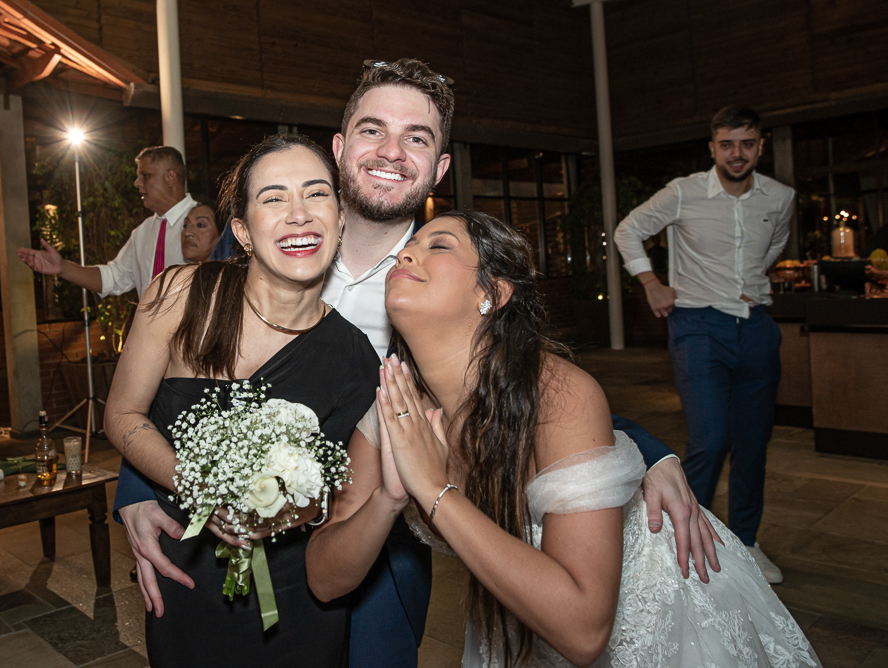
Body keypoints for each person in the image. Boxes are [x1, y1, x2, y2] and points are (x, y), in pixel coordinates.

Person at [113, 59, 720, 667]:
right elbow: (174, 378)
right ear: (340, 145)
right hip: (219, 550)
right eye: (373, 130)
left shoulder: (440, 275)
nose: (392, 151)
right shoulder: (267, 232)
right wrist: (142, 488)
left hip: (380, 545)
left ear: (440, 167)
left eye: (417, 137)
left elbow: (523, 374)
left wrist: (642, 450)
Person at [307, 210, 821, 667]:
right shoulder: (394, 406)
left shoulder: (557, 395)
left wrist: (435, 493)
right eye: (407, 251)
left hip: (656, 613)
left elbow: (584, 632)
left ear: (492, 293)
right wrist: (390, 497)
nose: (408, 255)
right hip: (519, 617)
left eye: (437, 245)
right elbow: (326, 578)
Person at [103, 134, 377, 666]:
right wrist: (198, 485)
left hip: (299, 598)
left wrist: (282, 512)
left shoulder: (355, 358)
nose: (298, 215)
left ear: (341, 221)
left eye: (317, 194)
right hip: (185, 570)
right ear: (244, 232)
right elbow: (121, 414)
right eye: (274, 198)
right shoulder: (178, 296)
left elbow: (340, 498)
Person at [614, 105, 794, 584]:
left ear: (762, 145)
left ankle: (747, 542)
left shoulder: (780, 197)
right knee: (711, 440)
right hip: (697, 325)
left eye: (748, 143)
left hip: (756, 325)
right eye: (727, 144)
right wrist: (650, 281)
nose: (738, 153)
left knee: (753, 443)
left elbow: (774, 247)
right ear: (712, 148)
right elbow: (627, 229)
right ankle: (684, 533)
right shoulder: (684, 191)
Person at [17, 146, 196, 298]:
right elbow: (113, 277)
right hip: (152, 337)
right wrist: (62, 267)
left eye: (145, 176)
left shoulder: (208, 223)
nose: (136, 183)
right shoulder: (143, 233)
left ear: (170, 177)